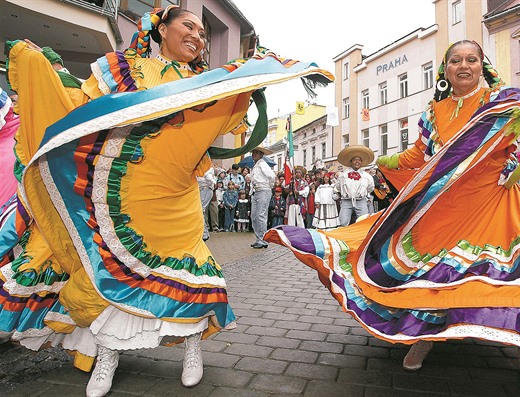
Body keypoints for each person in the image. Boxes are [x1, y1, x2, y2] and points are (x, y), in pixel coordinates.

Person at [0, 5, 332, 397]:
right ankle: (107, 357)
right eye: (188, 26)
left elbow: (226, 125)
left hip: (178, 194)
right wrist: (46, 69)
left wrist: (252, 77)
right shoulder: (126, 69)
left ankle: (193, 349)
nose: (198, 36)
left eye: (203, 32)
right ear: (161, 29)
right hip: (126, 192)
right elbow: (82, 110)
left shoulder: (208, 83)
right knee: (113, 271)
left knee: (189, 270)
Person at [265, 40, 520, 396]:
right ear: (446, 69)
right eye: (456, 60)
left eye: (472, 59)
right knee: (431, 275)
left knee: (518, 280)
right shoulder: (432, 111)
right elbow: (417, 157)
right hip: (444, 209)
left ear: (482, 67)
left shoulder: (499, 101)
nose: (464, 66)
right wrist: (384, 162)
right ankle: (422, 339)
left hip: (494, 203)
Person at [334, 145, 375, 226]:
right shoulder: (343, 175)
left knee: (364, 222)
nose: (357, 162)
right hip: (346, 201)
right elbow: (338, 187)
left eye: (359, 160)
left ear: (361, 162)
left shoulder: (367, 176)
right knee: (343, 222)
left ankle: (362, 238)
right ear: (351, 162)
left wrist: (362, 193)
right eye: (355, 160)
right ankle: (343, 238)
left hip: (361, 201)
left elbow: (370, 188)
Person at [250, 146, 276, 248]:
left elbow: (272, 176)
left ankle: (262, 239)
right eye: (253, 152)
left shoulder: (262, 164)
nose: (254, 154)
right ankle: (259, 238)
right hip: (257, 191)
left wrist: (269, 186)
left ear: (261, 155)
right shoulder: (255, 166)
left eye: (257, 153)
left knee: (261, 215)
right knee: (254, 216)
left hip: (264, 190)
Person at [196, 166, 216, 240]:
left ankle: (204, 234)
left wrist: (213, 182)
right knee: (200, 211)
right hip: (203, 189)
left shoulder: (207, 167)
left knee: (200, 210)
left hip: (205, 189)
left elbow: (208, 177)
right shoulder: (201, 167)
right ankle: (205, 233)